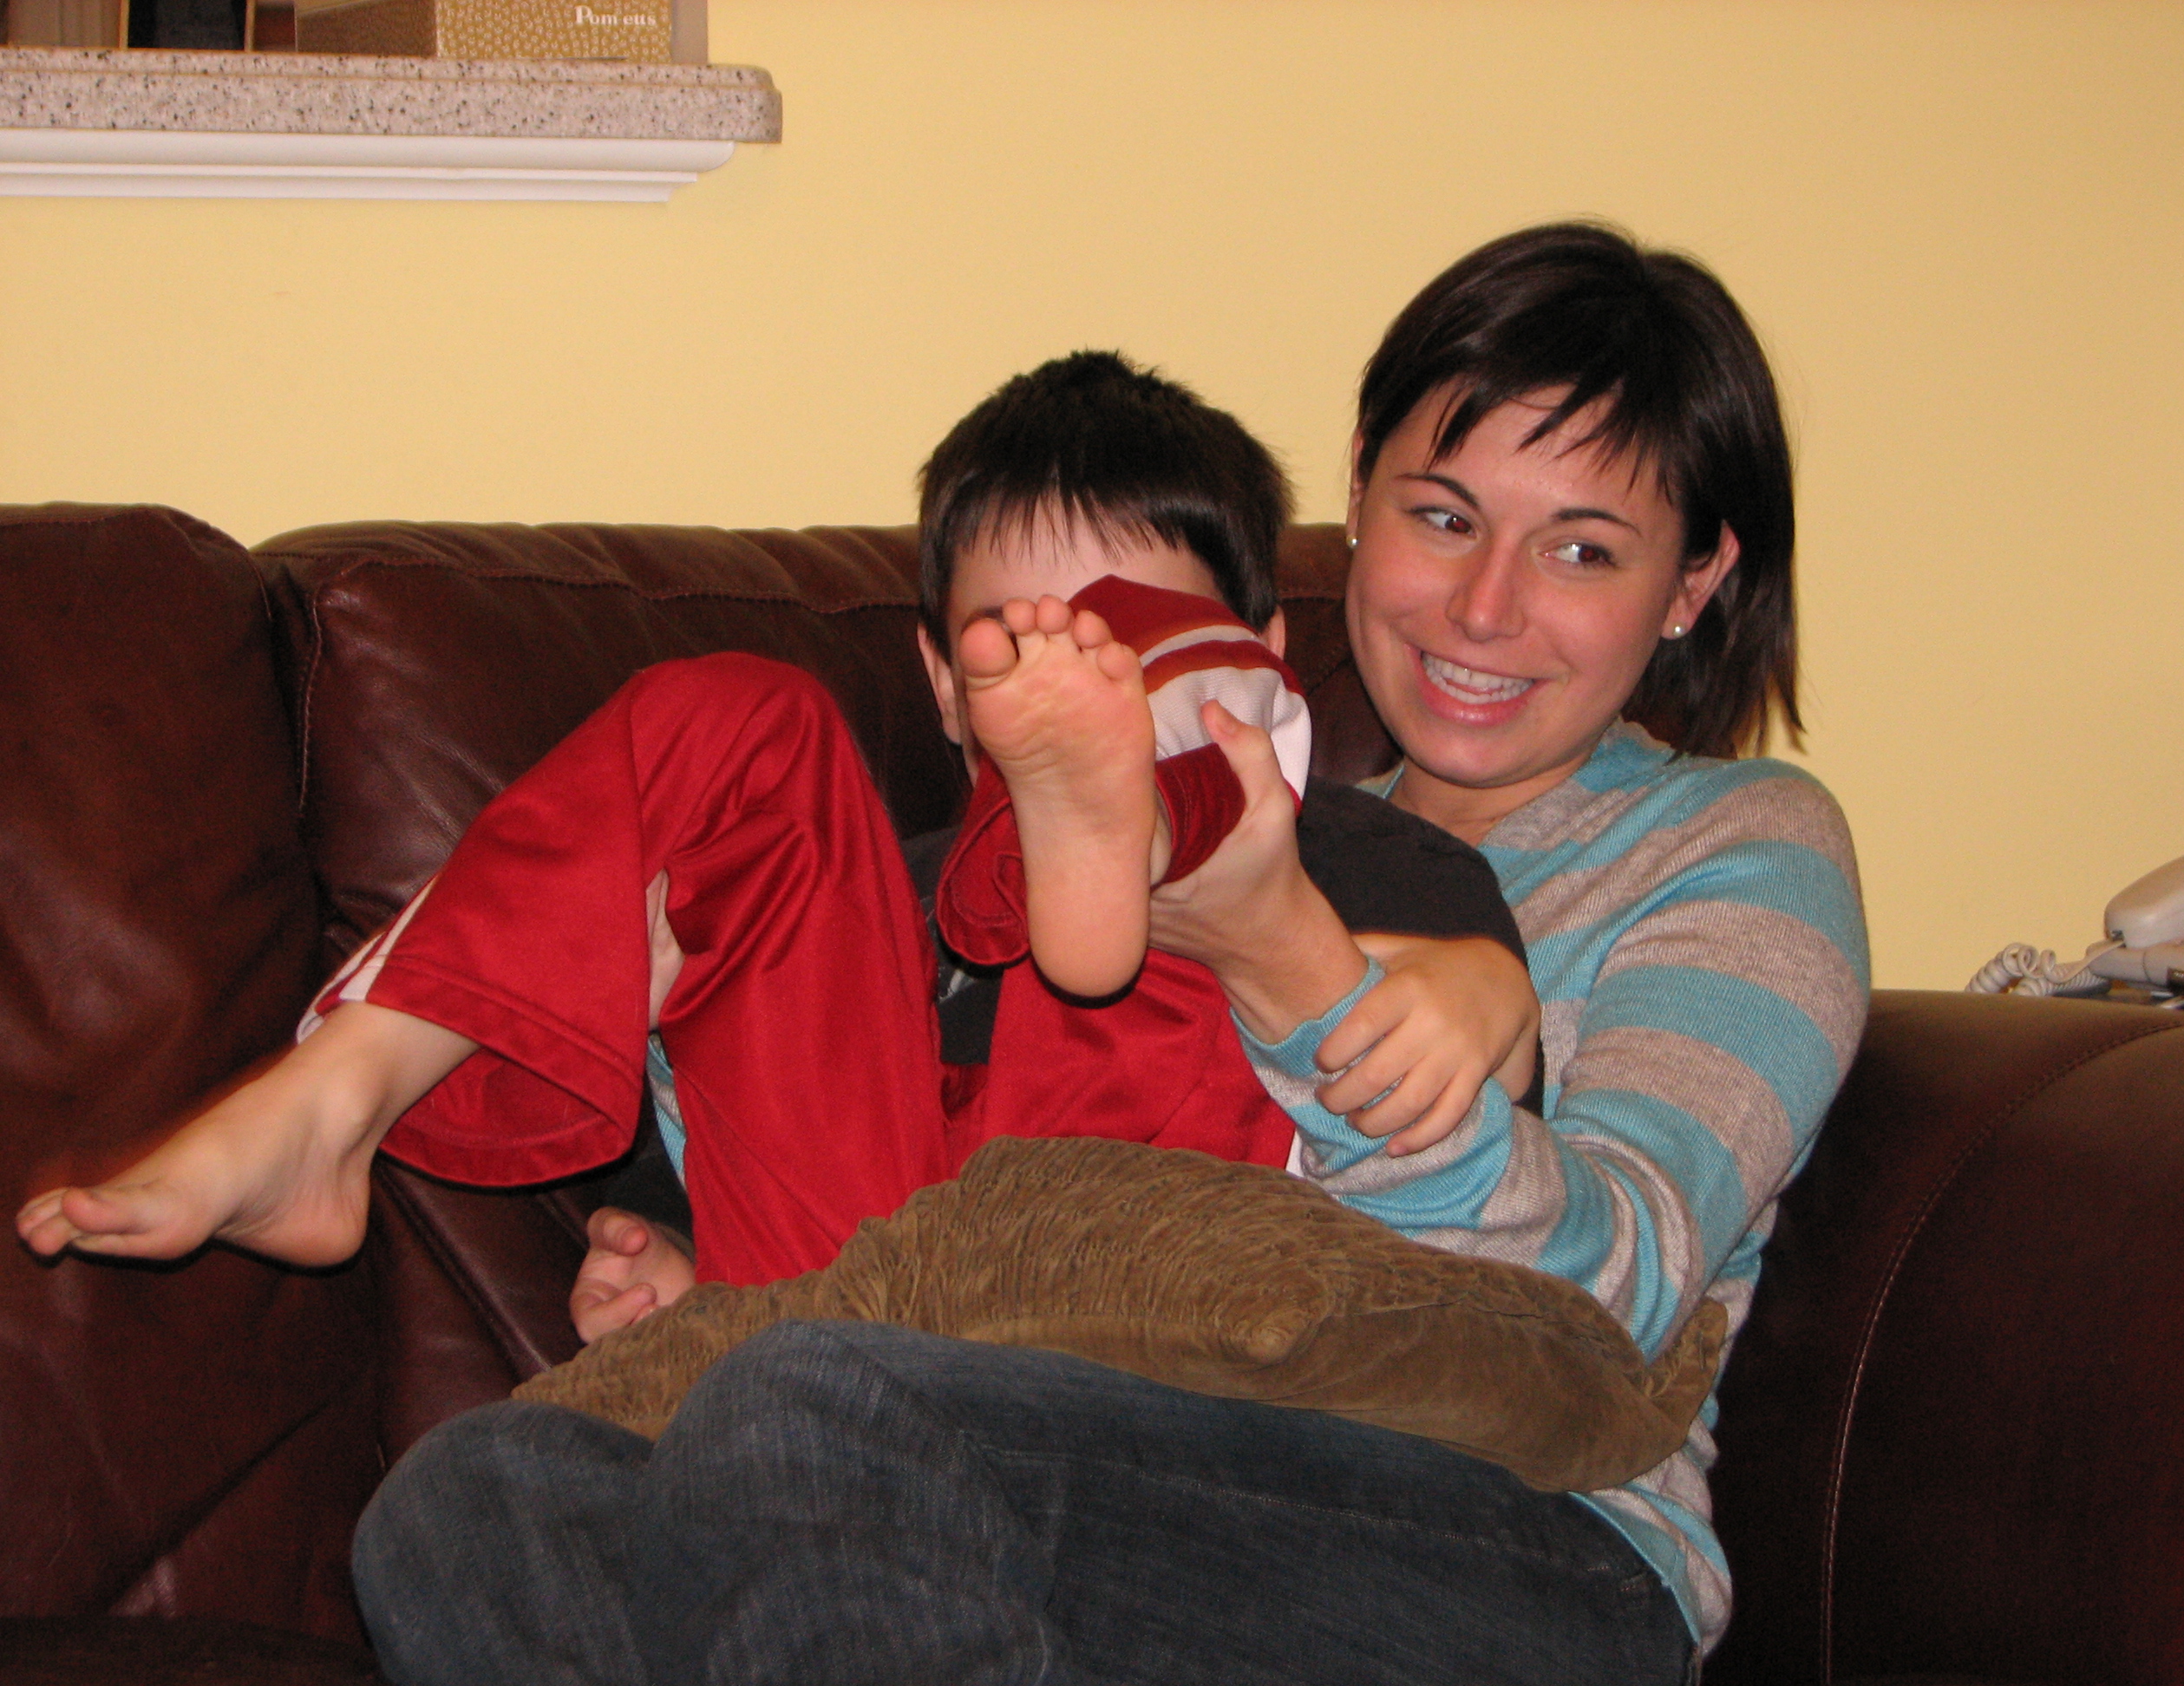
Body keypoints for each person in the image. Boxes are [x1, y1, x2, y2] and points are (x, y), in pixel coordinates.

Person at [344, 221, 1863, 1686]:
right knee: (475, 1502)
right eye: (1445, 518)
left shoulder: (1738, 845)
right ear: (1358, 497)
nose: (1485, 607)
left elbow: (1618, 1293)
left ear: (1693, 582)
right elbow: (919, 1181)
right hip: (1080, 1439)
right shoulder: (1204, 824)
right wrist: (699, 1194)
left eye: (1582, 550)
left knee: (822, 1411)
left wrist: (1305, 975)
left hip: (1522, 1538)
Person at [14, 350, 1532, 1309]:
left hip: (1137, 1299)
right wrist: (673, 1262)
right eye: (1014, 647)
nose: (1060, 676)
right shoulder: (862, 893)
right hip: (868, 1299)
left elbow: (1471, 1113)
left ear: (1262, 648)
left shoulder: (1367, 854)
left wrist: (1479, 999)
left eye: (1120, 642)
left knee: (1214, 849)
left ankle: (1128, 842)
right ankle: (327, 1102)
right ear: (940, 685)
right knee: (735, 716)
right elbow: (729, 1155)